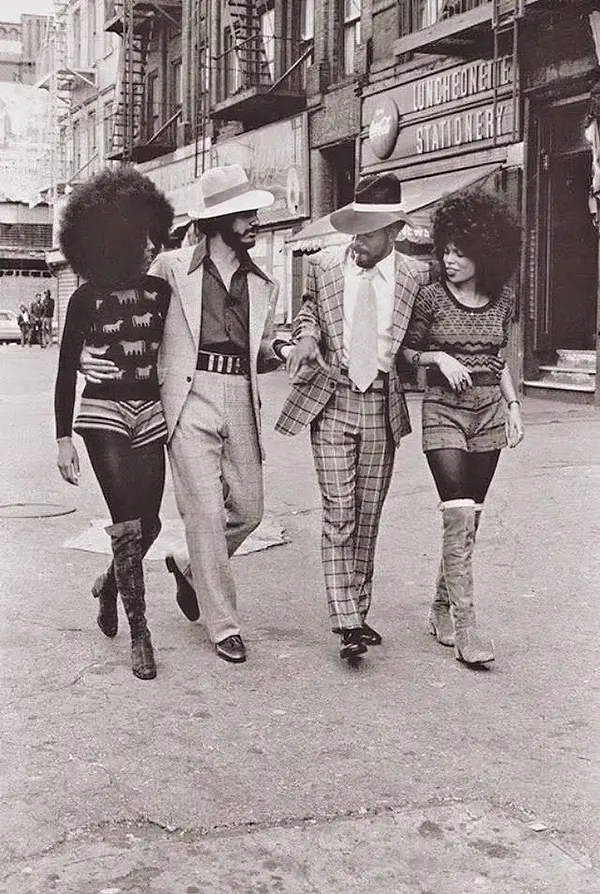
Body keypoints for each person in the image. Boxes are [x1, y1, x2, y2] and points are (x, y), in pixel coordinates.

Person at [80, 164, 283, 665]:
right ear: (219, 220)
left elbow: (260, 349)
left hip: (240, 394)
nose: (255, 222)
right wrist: (90, 349)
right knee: (206, 514)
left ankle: (187, 568)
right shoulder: (170, 267)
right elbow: (116, 296)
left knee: (250, 511)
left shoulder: (264, 284)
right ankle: (225, 627)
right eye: (245, 215)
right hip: (187, 399)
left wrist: (282, 346)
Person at [275, 173, 431, 661]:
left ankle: (358, 615)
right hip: (332, 399)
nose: (356, 242)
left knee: (367, 515)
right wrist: (305, 337)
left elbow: (420, 337)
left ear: (393, 232)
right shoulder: (322, 267)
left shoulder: (415, 277)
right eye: (354, 231)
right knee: (339, 512)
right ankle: (345, 621)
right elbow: (308, 315)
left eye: (367, 233)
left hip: (383, 404)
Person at [54, 166, 174, 681]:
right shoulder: (83, 299)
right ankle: (140, 631)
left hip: (151, 411)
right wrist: (63, 439)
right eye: (140, 236)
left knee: (152, 523)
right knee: (127, 522)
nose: (150, 246)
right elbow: (64, 370)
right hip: (102, 414)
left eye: (153, 235)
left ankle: (108, 584)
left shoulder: (162, 292)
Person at [402, 188, 523, 667]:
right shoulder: (430, 298)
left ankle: (439, 609)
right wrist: (437, 356)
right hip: (443, 411)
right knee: (456, 513)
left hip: (490, 411)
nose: (449, 259)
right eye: (445, 249)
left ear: (486, 253)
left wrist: (513, 406)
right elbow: (406, 354)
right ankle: (467, 628)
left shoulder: (503, 299)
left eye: (460, 251)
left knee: (470, 519)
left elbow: (500, 358)